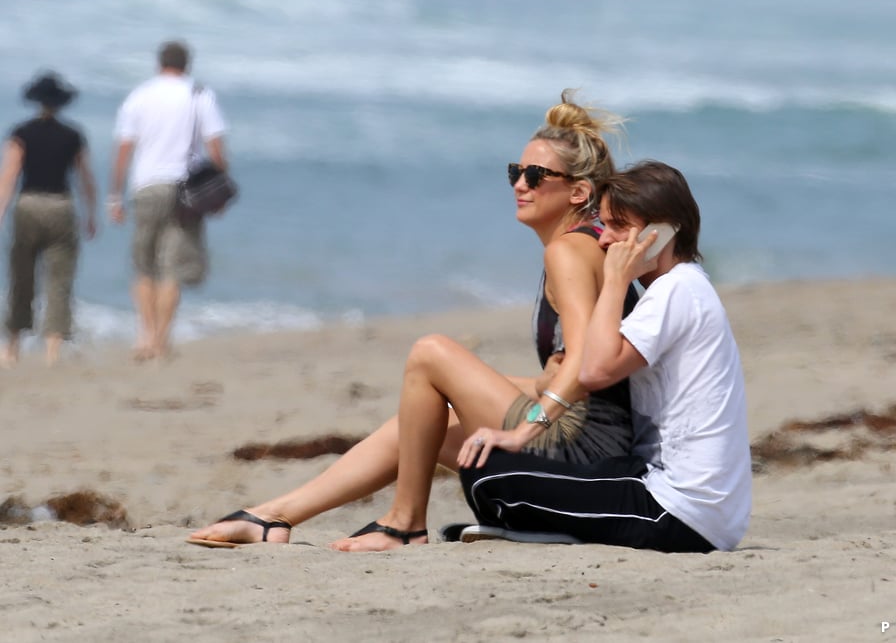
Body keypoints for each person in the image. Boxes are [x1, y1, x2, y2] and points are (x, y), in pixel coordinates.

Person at [188, 91, 639, 551]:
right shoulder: (588, 245)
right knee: (423, 417)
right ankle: (274, 516)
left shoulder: (569, 251)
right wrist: (526, 382)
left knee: (430, 354)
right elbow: (585, 369)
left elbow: (585, 364)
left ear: (579, 192)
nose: (519, 184)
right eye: (514, 172)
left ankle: (404, 523)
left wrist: (529, 421)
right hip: (597, 435)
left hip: (586, 449)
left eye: (535, 175)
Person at [459, 160, 752, 553]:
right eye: (603, 224)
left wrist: (614, 280)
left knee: (485, 475)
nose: (603, 240)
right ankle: (557, 527)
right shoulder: (682, 288)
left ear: (659, 233)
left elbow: (595, 371)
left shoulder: (676, 292)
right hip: (667, 490)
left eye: (618, 226)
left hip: (679, 512)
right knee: (499, 464)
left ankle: (552, 531)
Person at [108, 40, 228, 361]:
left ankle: (145, 336)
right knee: (172, 268)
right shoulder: (199, 94)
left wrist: (114, 196)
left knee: (144, 266)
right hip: (184, 190)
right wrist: (220, 190)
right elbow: (215, 146)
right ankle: (162, 340)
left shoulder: (140, 96)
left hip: (145, 185)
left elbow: (123, 150)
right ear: (187, 64)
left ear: (159, 63)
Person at [0, 72, 97, 367]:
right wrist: (91, 213)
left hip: (29, 205)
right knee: (59, 279)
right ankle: (52, 349)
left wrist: (0, 212)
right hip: (61, 206)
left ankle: (13, 347)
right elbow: (85, 178)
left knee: (21, 277)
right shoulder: (73, 135)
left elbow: (10, 175)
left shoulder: (22, 132)